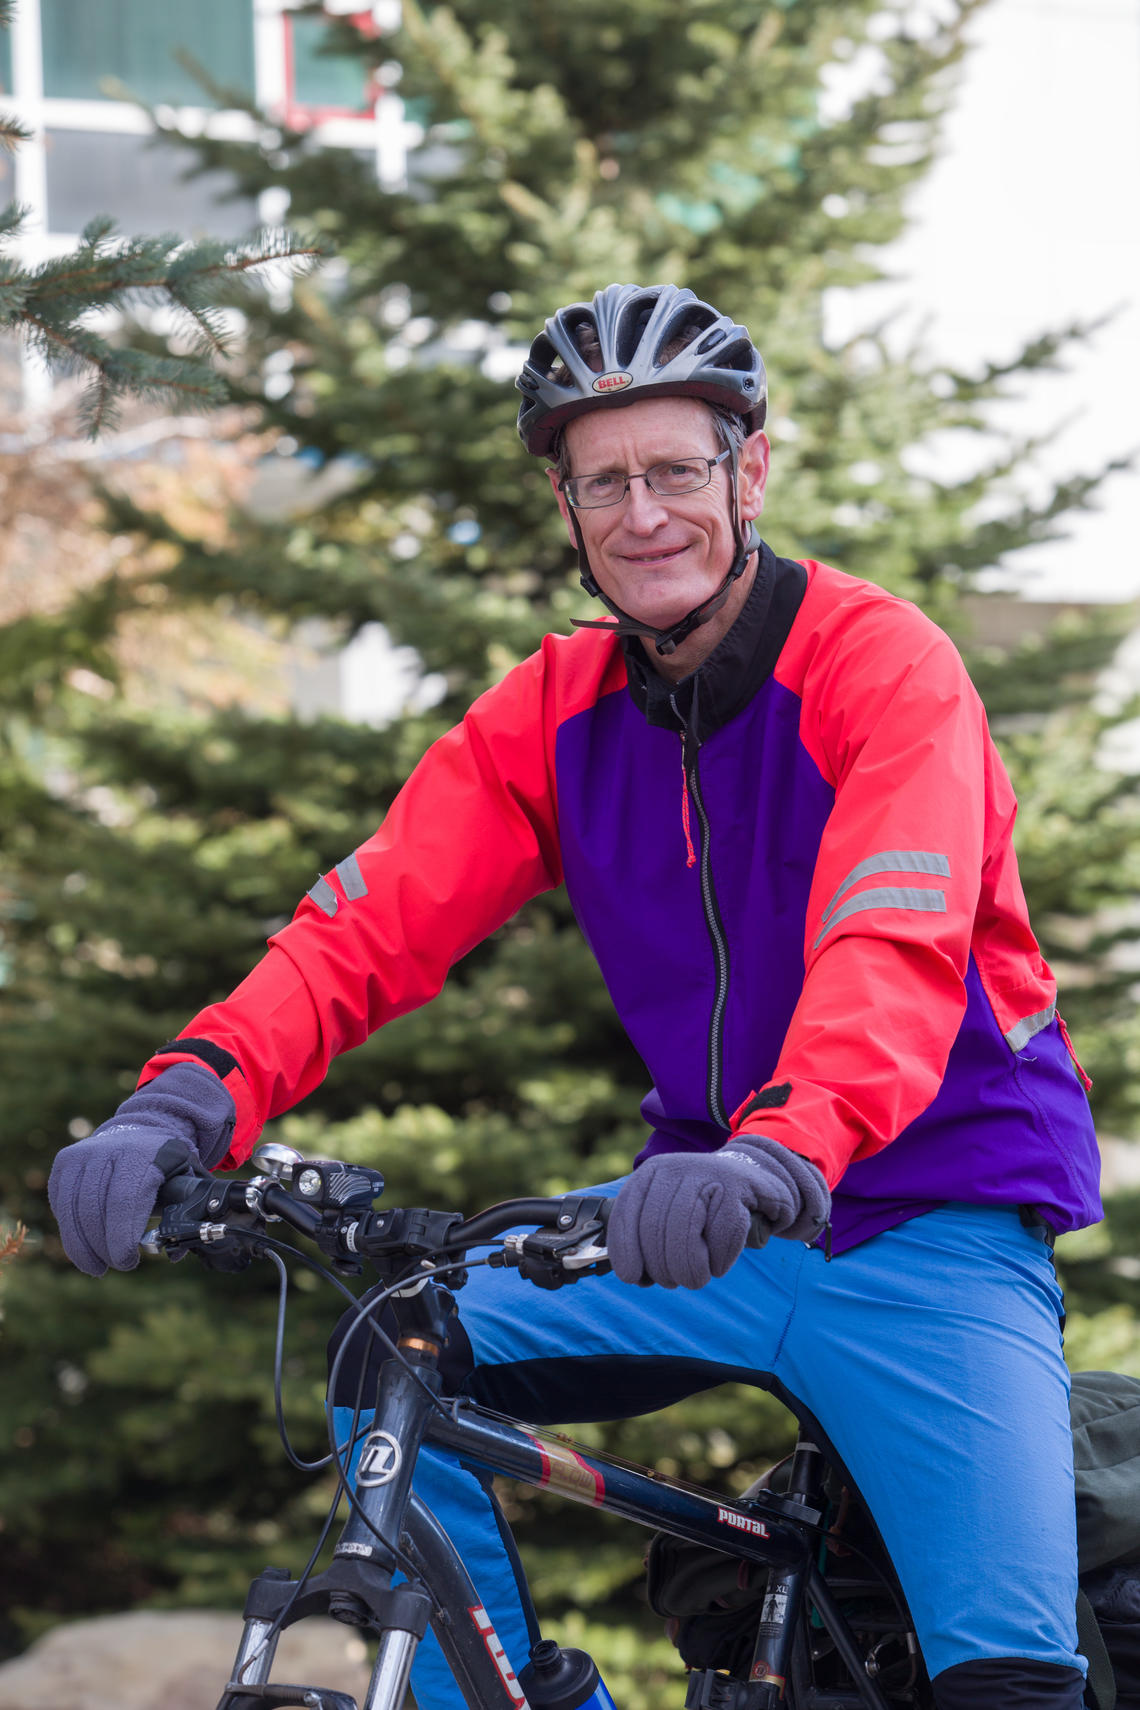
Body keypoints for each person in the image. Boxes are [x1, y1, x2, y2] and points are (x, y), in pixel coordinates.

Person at [49, 283, 1103, 1708]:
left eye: (677, 469)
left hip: (931, 1221)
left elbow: (892, 940)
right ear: (564, 503)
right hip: (710, 1221)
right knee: (398, 1356)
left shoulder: (881, 664)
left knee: (1013, 1688)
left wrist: (784, 1146)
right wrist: (185, 1095)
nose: (644, 511)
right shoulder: (557, 709)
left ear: (752, 470)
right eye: (603, 480)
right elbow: (369, 922)